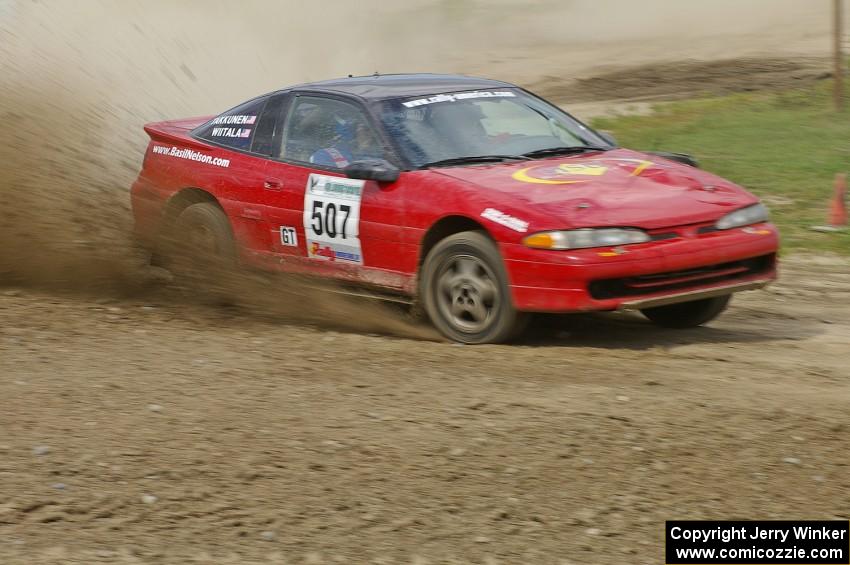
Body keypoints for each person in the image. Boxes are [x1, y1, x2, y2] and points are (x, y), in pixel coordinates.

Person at [310, 116, 381, 168]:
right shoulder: (327, 154)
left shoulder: (384, 155)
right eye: (366, 129)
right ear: (354, 130)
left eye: (374, 130)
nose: (370, 133)